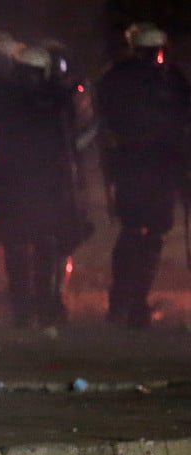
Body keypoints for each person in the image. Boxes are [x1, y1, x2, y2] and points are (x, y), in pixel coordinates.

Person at [0, 45, 84, 329]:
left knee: (20, 246)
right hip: (40, 183)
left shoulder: (5, 95)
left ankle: (25, 310)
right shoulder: (54, 97)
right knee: (37, 245)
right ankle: (41, 308)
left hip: (18, 182)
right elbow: (73, 135)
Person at [96, 23, 190, 329]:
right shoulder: (170, 79)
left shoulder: (118, 76)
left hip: (139, 167)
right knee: (148, 234)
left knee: (136, 231)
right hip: (154, 167)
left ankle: (126, 301)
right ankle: (133, 301)